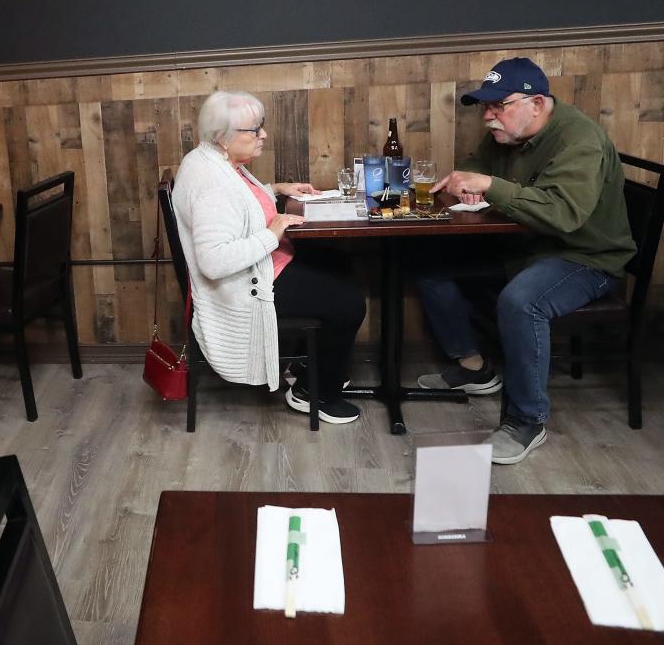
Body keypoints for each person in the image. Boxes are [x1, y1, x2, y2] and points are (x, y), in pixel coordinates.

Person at [415, 57, 636, 464]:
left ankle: (526, 420)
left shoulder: (578, 140)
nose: (488, 117)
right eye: (485, 108)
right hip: (527, 248)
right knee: (433, 270)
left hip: (586, 258)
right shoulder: (507, 133)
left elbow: (563, 213)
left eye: (499, 106)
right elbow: (479, 165)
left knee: (520, 301)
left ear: (536, 103)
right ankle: (474, 366)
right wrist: (472, 181)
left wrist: (491, 186)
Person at [172, 90, 366, 423]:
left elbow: (239, 203)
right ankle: (313, 393)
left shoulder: (217, 160)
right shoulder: (211, 182)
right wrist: (271, 233)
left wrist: (276, 189)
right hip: (243, 286)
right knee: (349, 303)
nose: (263, 135)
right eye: (254, 129)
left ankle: (310, 363)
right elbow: (214, 261)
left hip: (264, 266)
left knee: (339, 262)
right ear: (223, 136)